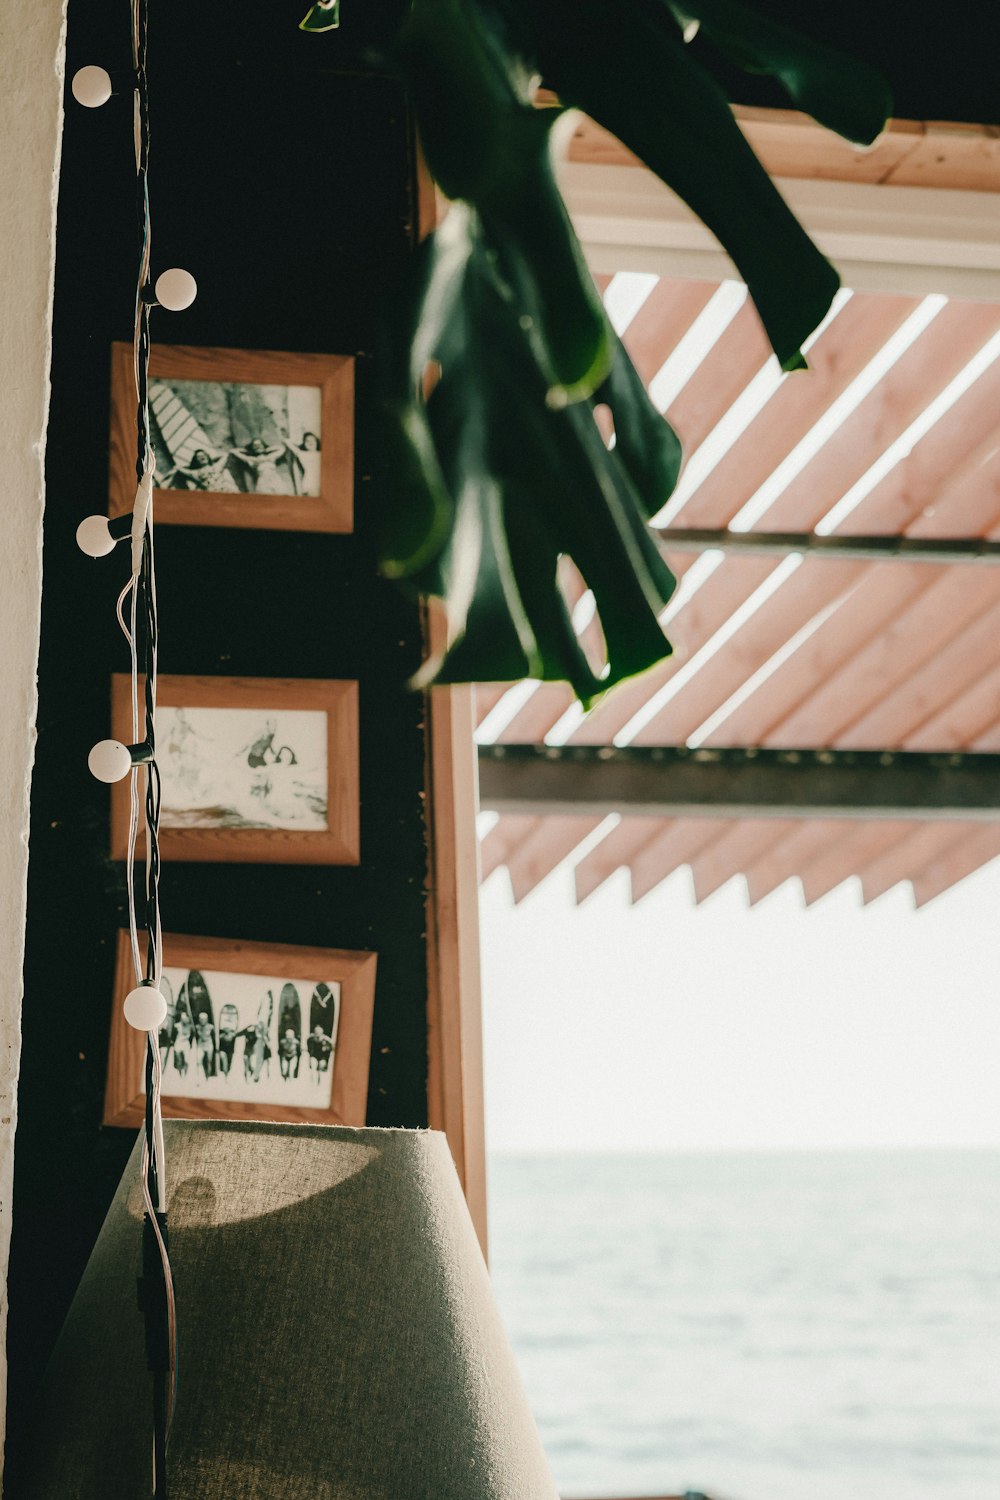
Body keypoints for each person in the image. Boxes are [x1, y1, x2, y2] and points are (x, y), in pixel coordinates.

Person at [161, 447, 237, 492]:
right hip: (212, 494)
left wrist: (214, 459)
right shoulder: (195, 473)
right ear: (196, 461)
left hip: (226, 490)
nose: (202, 457)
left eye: (203, 455)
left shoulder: (217, 466)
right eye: (199, 457)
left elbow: (227, 455)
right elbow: (178, 468)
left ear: (207, 457)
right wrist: (187, 466)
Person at [195, 1011, 216, 1081]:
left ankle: (208, 1077)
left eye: (203, 1019)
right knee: (198, 1061)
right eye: (201, 1019)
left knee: (209, 1061)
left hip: (209, 1045)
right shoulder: (197, 1027)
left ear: (206, 1019)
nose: (202, 1021)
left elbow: (214, 1037)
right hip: (200, 1045)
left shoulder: (211, 1027)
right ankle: (199, 1077)